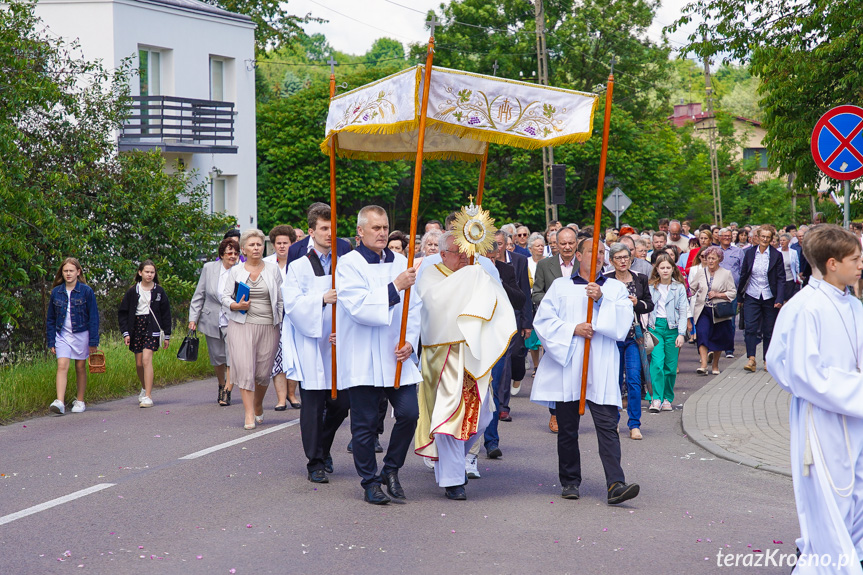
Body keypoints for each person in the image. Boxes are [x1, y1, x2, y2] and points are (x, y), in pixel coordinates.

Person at [766, 225, 863, 574]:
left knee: (856, 497)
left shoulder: (852, 305)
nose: (861, 264)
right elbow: (795, 369)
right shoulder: (805, 307)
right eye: (856, 258)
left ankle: (851, 558)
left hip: (855, 418)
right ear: (833, 263)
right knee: (829, 497)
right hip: (821, 419)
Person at [531, 237, 640, 504]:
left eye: (602, 252)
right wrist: (572, 329)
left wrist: (602, 300)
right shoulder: (559, 287)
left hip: (600, 364)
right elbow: (543, 321)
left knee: (607, 425)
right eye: (593, 251)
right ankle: (570, 481)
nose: (599, 256)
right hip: (569, 366)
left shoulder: (614, 288)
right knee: (568, 428)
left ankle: (616, 483)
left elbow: (624, 322)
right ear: (578, 255)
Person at [415, 231, 515, 499]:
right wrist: (468, 279)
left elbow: (496, 299)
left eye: (466, 252)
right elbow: (435, 305)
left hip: (473, 354)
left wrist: (477, 277)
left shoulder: (479, 270)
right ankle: (452, 480)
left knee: (483, 416)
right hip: (442, 354)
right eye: (457, 253)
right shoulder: (431, 274)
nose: (463, 257)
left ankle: (453, 462)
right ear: (443, 254)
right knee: (447, 416)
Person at [335, 205, 422, 505]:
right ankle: (370, 481)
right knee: (366, 425)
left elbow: (416, 306)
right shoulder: (348, 265)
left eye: (385, 227)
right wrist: (396, 285)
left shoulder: (401, 261)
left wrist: (411, 340)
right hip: (363, 355)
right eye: (375, 228)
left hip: (396, 355)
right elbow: (358, 308)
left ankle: (391, 469)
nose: (382, 232)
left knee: (410, 413)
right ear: (360, 232)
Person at [283, 204, 349, 484]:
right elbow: (293, 304)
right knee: (312, 405)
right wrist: (321, 299)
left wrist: (344, 329)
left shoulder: (346, 264)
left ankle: (323, 447)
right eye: (323, 228)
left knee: (341, 403)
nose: (329, 233)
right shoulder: (298, 266)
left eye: (332, 227)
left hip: (338, 343)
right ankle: (315, 461)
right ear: (311, 232)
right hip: (311, 344)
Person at [221, 229, 283, 430]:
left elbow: (280, 299)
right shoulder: (236, 271)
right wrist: (234, 306)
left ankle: (257, 405)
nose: (256, 248)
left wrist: (281, 322)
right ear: (244, 249)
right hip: (241, 325)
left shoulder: (273, 270)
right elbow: (224, 297)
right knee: (246, 369)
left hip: (268, 325)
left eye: (259, 244)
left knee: (263, 373)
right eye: (252, 245)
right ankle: (248, 413)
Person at [531, 226, 580, 433]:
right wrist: (557, 303)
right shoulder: (544, 265)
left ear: (576, 243)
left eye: (571, 243)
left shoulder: (584, 264)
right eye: (563, 243)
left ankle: (574, 410)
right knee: (555, 369)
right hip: (554, 325)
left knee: (576, 368)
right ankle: (554, 414)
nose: (567, 247)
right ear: (556, 245)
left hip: (578, 325)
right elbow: (536, 294)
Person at [604, 243, 653, 440]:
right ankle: (613, 421)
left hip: (634, 337)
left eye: (626, 257)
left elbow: (649, 304)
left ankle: (634, 425)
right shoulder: (606, 280)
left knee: (633, 380)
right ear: (612, 261)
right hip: (613, 337)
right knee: (614, 381)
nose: (623, 261)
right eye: (619, 258)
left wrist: (637, 304)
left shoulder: (640, 279)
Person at [188, 237, 239, 406]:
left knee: (232, 356)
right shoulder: (209, 268)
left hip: (234, 319)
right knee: (217, 357)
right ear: (222, 254)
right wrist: (192, 319)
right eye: (229, 253)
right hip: (212, 318)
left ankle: (228, 391)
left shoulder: (241, 270)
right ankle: (221, 384)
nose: (233, 256)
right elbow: (199, 295)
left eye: (236, 253)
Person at [46, 258, 99, 415]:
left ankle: (80, 400)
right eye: (65, 271)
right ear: (62, 273)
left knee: (80, 367)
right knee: (62, 365)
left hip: (81, 334)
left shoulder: (86, 291)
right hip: (62, 334)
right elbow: (50, 319)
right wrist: (51, 342)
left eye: (71, 271)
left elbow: (94, 317)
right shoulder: (56, 292)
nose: (68, 274)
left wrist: (93, 341)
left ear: (78, 272)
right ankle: (60, 402)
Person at [118, 260, 171, 408]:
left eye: (152, 272)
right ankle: (143, 387)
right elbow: (123, 313)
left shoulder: (159, 291)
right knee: (139, 363)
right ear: (140, 273)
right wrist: (126, 333)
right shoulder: (132, 291)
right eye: (147, 272)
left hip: (152, 327)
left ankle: (148, 395)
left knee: (147, 360)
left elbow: (166, 314)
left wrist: (167, 335)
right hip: (136, 327)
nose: (149, 275)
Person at [738, 225, 786, 373]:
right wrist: (740, 295)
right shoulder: (750, 253)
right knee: (750, 327)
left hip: (769, 296)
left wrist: (779, 298)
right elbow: (744, 274)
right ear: (758, 237)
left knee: (769, 330)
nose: (765, 239)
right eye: (762, 236)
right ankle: (751, 358)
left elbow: (781, 278)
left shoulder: (776, 255)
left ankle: (767, 359)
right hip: (752, 294)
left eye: (768, 237)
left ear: (771, 239)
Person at [646, 254, 688, 412]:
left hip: (673, 328)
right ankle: (656, 398)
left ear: (673, 269)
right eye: (662, 267)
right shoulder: (651, 287)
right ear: (656, 269)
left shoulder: (679, 288)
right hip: (655, 328)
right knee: (657, 363)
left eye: (668, 267)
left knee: (670, 367)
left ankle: (667, 398)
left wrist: (681, 333)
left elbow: (683, 311)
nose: (665, 270)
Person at [264, 225, 299, 411]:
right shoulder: (267, 264)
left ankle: (292, 395)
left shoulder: (300, 263)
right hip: (274, 317)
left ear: (292, 244)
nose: (282, 246)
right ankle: (280, 398)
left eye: (286, 243)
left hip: (295, 316)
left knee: (292, 356)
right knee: (277, 358)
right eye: (279, 243)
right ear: (273, 245)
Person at [689, 247, 736, 375]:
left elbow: (732, 293)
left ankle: (715, 364)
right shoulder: (700, 272)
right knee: (702, 334)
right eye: (708, 258)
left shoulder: (726, 273)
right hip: (702, 309)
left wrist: (717, 294)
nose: (710, 261)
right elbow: (691, 289)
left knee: (718, 338)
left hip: (718, 311)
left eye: (713, 258)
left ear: (719, 259)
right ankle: (703, 365)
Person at [778, 232, 801, 299]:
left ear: (788, 241)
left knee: (789, 298)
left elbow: (797, 265)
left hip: (790, 279)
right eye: (781, 240)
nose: (782, 242)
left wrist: (798, 275)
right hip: (779, 279)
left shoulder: (793, 252)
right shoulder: (777, 251)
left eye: (784, 240)